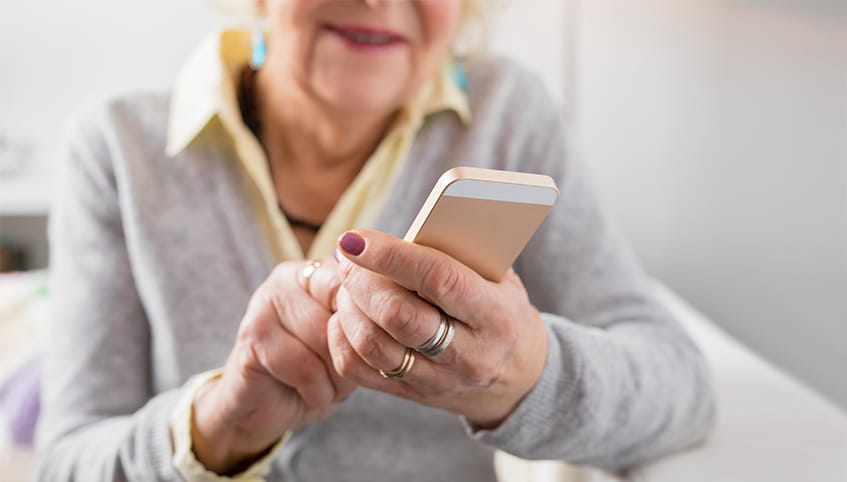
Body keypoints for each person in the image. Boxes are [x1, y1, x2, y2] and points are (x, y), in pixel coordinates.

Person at [35, 0, 716, 480]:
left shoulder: (507, 115)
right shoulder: (117, 149)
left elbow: (681, 390)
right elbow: (65, 464)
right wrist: (221, 425)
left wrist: (520, 373)